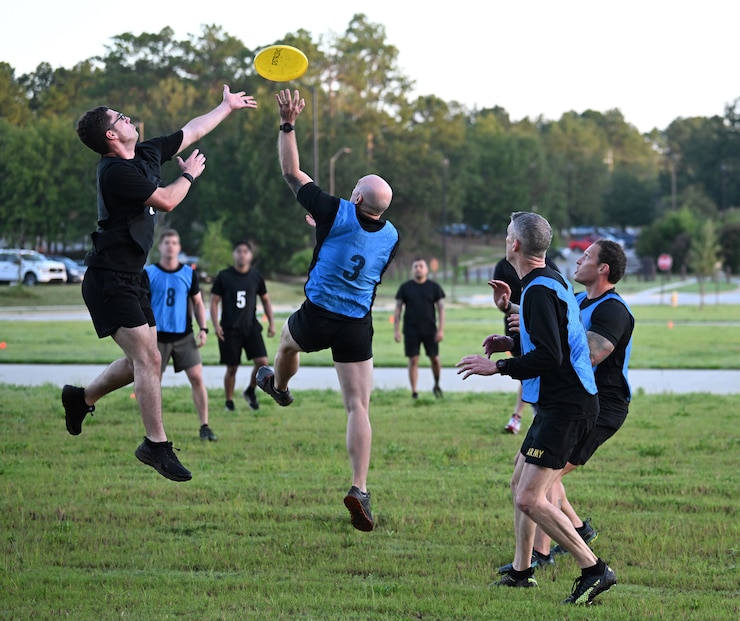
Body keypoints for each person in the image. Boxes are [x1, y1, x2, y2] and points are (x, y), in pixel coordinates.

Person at [63, 85, 257, 482]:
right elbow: (167, 199)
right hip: (107, 279)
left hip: (132, 277)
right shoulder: (115, 172)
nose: (127, 118)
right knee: (150, 359)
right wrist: (188, 175)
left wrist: (225, 107)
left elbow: (192, 130)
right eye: (120, 118)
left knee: (143, 358)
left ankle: (81, 399)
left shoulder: (148, 151)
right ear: (111, 136)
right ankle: (155, 444)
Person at [456, 212, 617, 605]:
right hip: (558, 403)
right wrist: (510, 344)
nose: (505, 238)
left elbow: (550, 355)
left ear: (515, 244)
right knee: (519, 486)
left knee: (530, 497)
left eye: (507, 234)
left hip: (568, 406)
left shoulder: (540, 290)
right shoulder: (547, 281)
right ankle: (522, 571)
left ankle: (594, 569)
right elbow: (550, 343)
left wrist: (497, 367)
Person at [257, 89, 399, 532]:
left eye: (354, 188)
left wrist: (287, 123)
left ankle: (279, 388)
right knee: (358, 405)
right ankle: (360, 487)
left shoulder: (335, 209)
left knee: (284, 345)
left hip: (318, 312)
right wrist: (325, 229)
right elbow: (357, 246)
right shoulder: (392, 234)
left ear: (355, 199)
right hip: (357, 322)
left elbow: (290, 172)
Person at [497, 239, 634, 573]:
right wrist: (513, 311)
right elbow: (553, 329)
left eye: (586, 256)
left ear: (603, 268)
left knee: (541, 482)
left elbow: (585, 353)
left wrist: (538, 347)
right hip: (567, 401)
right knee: (528, 475)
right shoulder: (576, 299)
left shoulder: (612, 310)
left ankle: (543, 554)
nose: (577, 260)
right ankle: (537, 555)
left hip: (600, 406)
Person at [145, 229, 216, 442]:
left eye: (174, 242)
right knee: (153, 382)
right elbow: (140, 305)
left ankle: (204, 426)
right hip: (156, 337)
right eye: (166, 242)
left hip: (184, 335)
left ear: (179, 247)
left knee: (197, 378)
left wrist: (203, 329)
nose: (170, 246)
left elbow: (197, 303)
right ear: (160, 247)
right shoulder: (149, 273)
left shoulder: (188, 273)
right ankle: (154, 431)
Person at [492, 254, 559, 434]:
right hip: (516, 327)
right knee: (528, 370)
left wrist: (533, 322)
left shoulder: (547, 268)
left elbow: (557, 303)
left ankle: (524, 415)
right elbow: (503, 303)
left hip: (540, 327)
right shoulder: (503, 267)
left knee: (535, 368)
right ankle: (528, 414)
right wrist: (506, 307)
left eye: (510, 236)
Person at [210, 240, 275, 412]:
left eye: (246, 251)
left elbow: (266, 300)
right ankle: (229, 401)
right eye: (239, 251)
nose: (242, 254)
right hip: (230, 328)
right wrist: (216, 325)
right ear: (234, 254)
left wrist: (271, 323)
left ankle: (250, 390)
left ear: (250, 255)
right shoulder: (224, 276)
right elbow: (214, 302)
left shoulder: (256, 276)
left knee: (262, 362)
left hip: (251, 326)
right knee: (232, 367)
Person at [393, 258, 446, 399]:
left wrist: (441, 329)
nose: (418, 268)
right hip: (411, 330)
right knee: (413, 360)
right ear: (412, 269)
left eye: (421, 266)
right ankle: (414, 391)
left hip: (430, 330)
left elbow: (441, 308)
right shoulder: (405, 288)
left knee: (434, 358)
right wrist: (396, 330)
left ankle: (436, 384)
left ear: (426, 269)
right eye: (415, 266)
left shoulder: (434, 287)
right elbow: (398, 309)